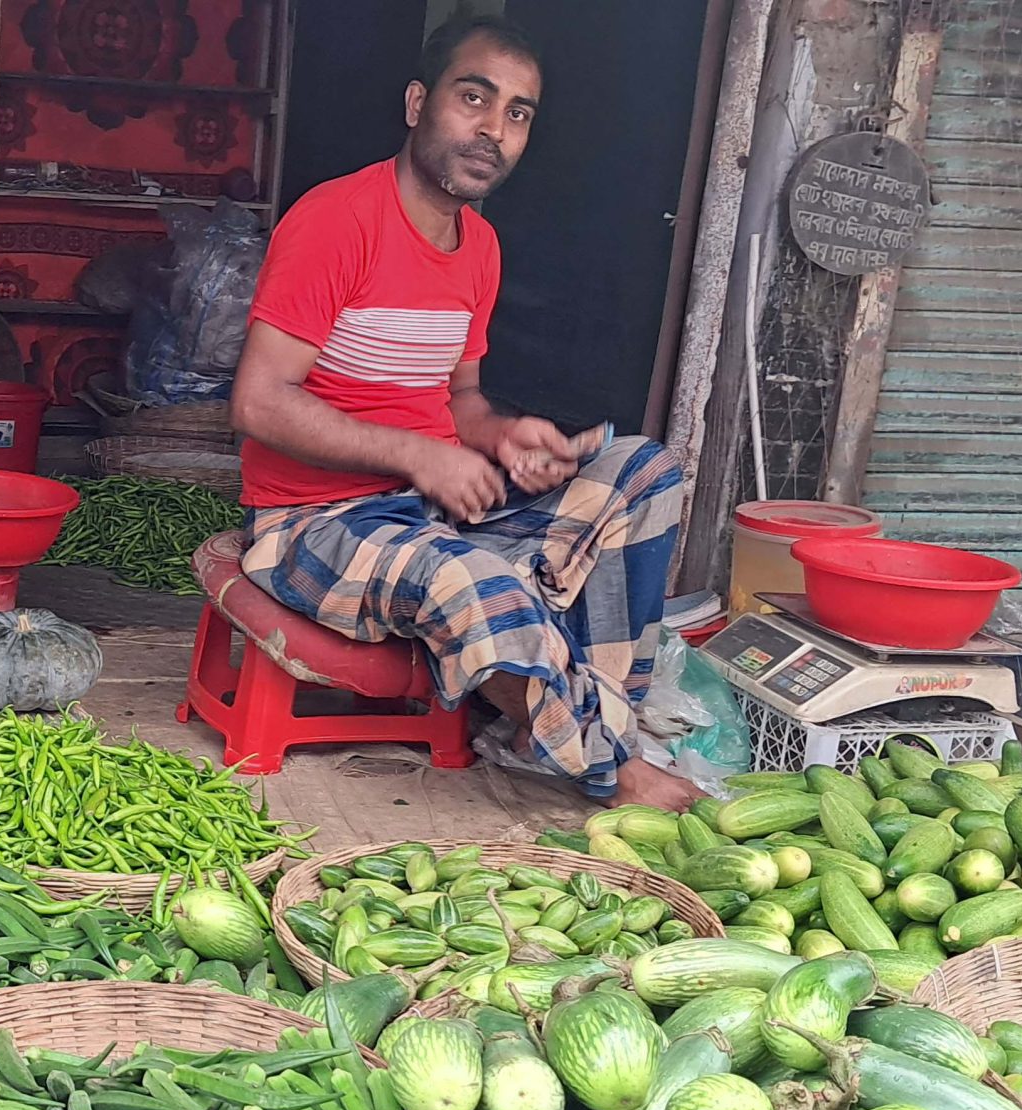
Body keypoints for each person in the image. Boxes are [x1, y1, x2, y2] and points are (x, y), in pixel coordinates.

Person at [227, 15, 699, 809]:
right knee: (471, 579)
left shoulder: (479, 246)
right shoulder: (337, 220)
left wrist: (504, 437)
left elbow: (459, 402)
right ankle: (610, 766)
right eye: (473, 98)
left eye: (517, 113)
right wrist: (419, 456)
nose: (493, 130)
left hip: (426, 509)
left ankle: (589, 717)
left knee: (643, 472)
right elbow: (257, 401)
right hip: (310, 523)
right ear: (418, 103)